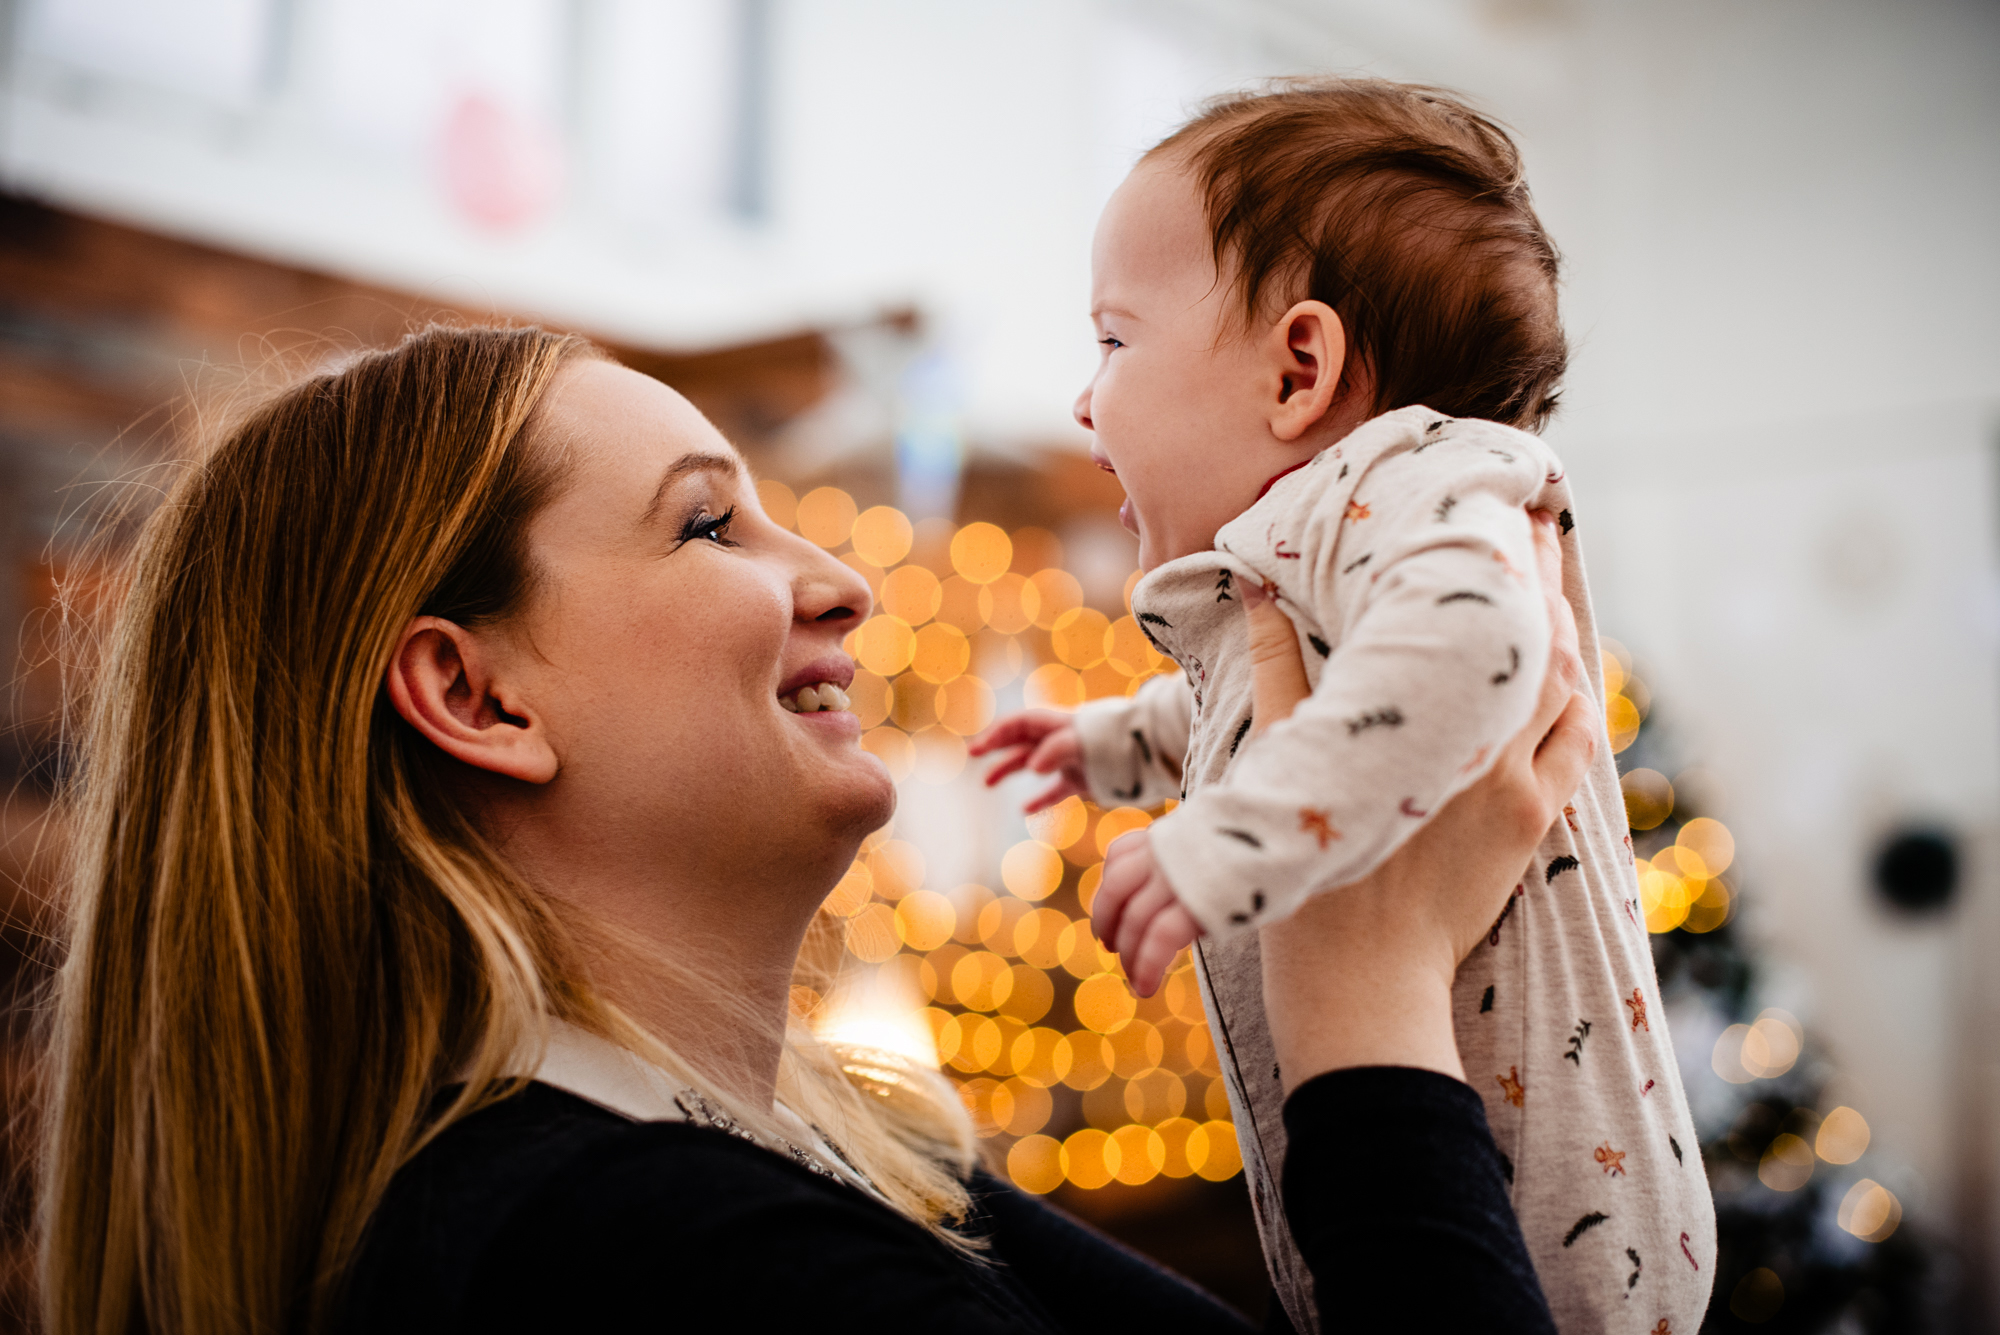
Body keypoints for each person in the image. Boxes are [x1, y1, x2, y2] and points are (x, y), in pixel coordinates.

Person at [39, 324, 1590, 1335]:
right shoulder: (664, 1266)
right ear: (477, 692)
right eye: (709, 522)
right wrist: (1369, 1006)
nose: (842, 581)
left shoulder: (844, 1160)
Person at [973, 80, 1715, 1334]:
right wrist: (1114, 746)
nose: (1083, 401)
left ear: (1299, 371)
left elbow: (1469, 647)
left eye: (1112, 340)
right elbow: (1291, 721)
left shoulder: (1413, 477)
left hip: (1546, 1243)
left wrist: (1226, 840)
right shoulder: (1314, 547)